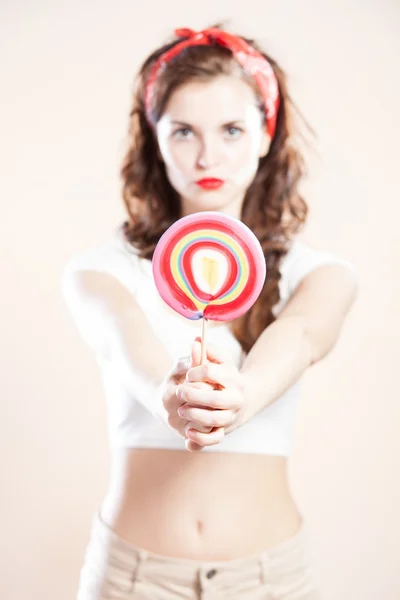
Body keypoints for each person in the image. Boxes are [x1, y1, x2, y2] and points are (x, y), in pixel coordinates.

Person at [61, 24, 358, 600]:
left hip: (271, 580)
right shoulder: (100, 271)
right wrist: (171, 397)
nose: (207, 156)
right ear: (156, 141)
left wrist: (240, 397)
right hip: (131, 579)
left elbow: (298, 337)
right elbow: (133, 351)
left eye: (230, 129)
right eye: (182, 132)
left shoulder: (320, 275)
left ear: (265, 135)